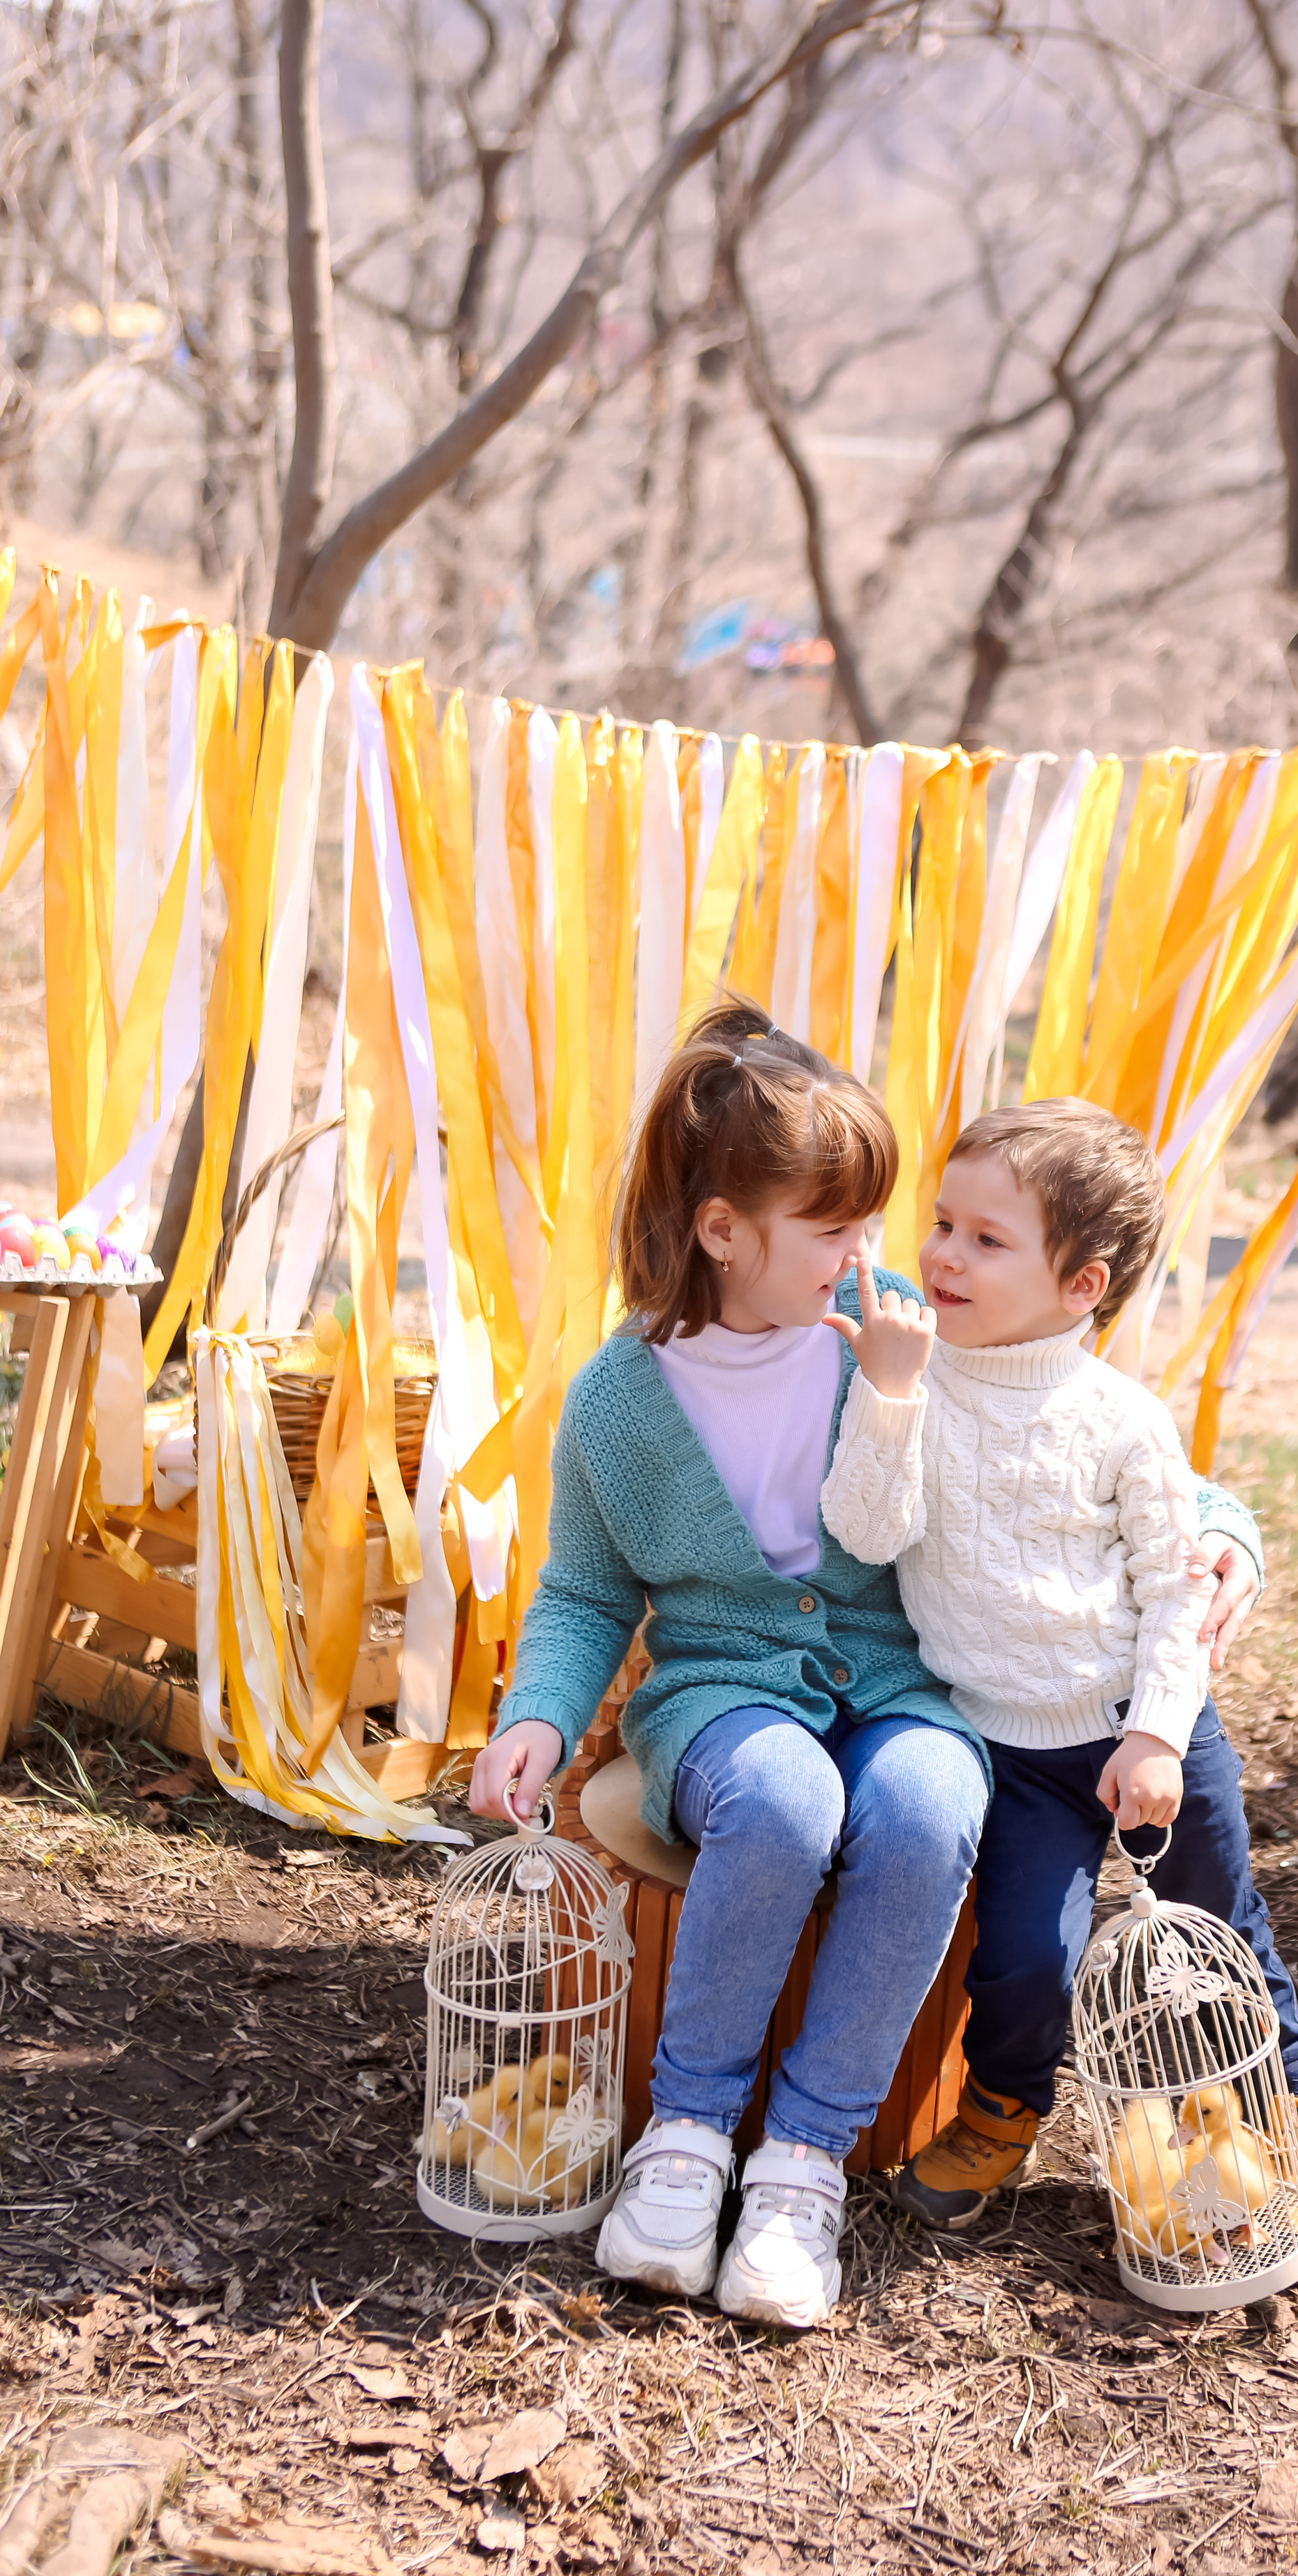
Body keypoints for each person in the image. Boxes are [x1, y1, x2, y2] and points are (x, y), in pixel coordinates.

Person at [468, 999, 988, 2330]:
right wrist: (540, 1711)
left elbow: (1073, 1436)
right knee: (788, 1803)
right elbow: (588, 1586)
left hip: (885, 1675)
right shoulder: (621, 1395)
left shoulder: (880, 1351)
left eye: (870, 1223)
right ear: (722, 1231)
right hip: (717, 1691)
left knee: (931, 1805)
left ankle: (804, 2162)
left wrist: (1211, 1530)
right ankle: (688, 2138)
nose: (868, 1253)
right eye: (835, 1229)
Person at [819, 1098, 1298, 2265]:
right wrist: (893, 1395)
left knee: (1222, 1932)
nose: (944, 1254)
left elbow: (1171, 1594)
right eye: (943, 1223)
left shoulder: (1121, 1423)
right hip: (1004, 1747)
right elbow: (864, 1532)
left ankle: (1293, 2114)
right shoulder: (904, 1378)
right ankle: (1004, 2114)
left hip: (1146, 1732)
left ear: (1080, 1286)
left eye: (987, 1240)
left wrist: (1157, 1735)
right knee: (1024, 1954)